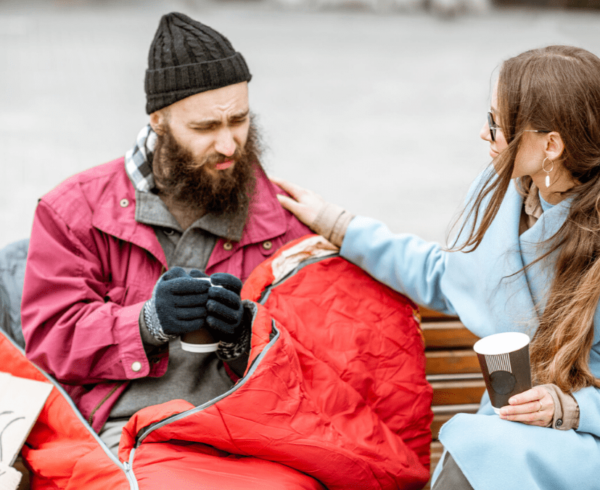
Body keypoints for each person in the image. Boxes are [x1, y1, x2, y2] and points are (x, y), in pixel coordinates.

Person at [274, 45, 600, 489]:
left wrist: (571, 408)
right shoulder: (500, 192)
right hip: (511, 428)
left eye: (497, 124)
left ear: (552, 146)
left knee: (482, 454)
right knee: (478, 453)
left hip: (583, 442)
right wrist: (340, 227)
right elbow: (444, 276)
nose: (485, 134)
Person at [21, 12, 309, 455]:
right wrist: (147, 323)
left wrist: (245, 338)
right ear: (158, 121)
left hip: (251, 431)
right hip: (125, 431)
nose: (229, 144)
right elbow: (51, 342)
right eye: (205, 127)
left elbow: (313, 360)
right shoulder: (71, 210)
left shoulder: (286, 218)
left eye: (239, 120)